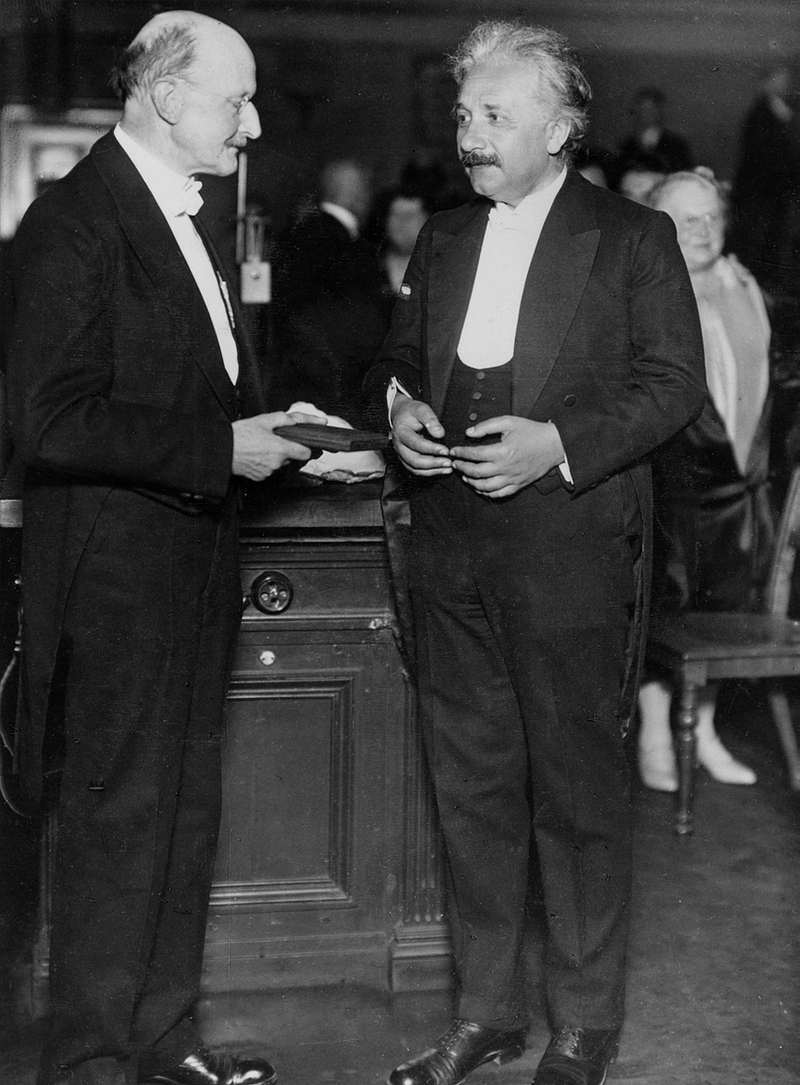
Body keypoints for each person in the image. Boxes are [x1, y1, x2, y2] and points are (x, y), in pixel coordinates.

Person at [364, 19, 705, 1085]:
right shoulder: (444, 237)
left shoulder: (629, 236)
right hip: (449, 553)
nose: (469, 132)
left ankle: (582, 1024)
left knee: (574, 796)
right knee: (469, 791)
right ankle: (486, 1011)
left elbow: (671, 385)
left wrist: (558, 445)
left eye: (493, 114)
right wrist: (398, 403)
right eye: (464, 112)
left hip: (569, 554)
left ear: (558, 128)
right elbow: (393, 350)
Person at [5, 11, 321, 1085]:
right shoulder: (72, 222)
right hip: (115, 578)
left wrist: (278, 434)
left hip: (186, 562)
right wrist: (214, 444)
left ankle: (159, 1037)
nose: (254, 122)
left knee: (182, 813)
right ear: (167, 93)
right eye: (237, 99)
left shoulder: (183, 215)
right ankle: (90, 1061)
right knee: (116, 822)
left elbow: (178, 391)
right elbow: (47, 421)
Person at [637, 168, 774, 791]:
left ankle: (708, 730)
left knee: (726, 615)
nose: (702, 228)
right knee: (667, 611)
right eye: (685, 217)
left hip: (741, 495)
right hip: (675, 493)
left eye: (711, 215)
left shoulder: (743, 287)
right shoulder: (641, 296)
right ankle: (658, 733)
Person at [272, 159, 386, 421]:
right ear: (356, 193)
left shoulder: (295, 233)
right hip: (336, 383)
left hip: (295, 378)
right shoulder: (351, 247)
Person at [730, 65, 799, 291]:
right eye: (780, 80)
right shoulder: (760, 113)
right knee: (761, 242)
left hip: (775, 192)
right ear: (766, 83)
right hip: (761, 192)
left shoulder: (783, 109)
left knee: (774, 239)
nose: (786, 85)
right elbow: (769, 157)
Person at [618, 87, 694, 176]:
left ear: (659, 111)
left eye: (651, 108)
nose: (646, 114)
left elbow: (684, 174)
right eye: (642, 109)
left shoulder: (677, 143)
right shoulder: (627, 144)